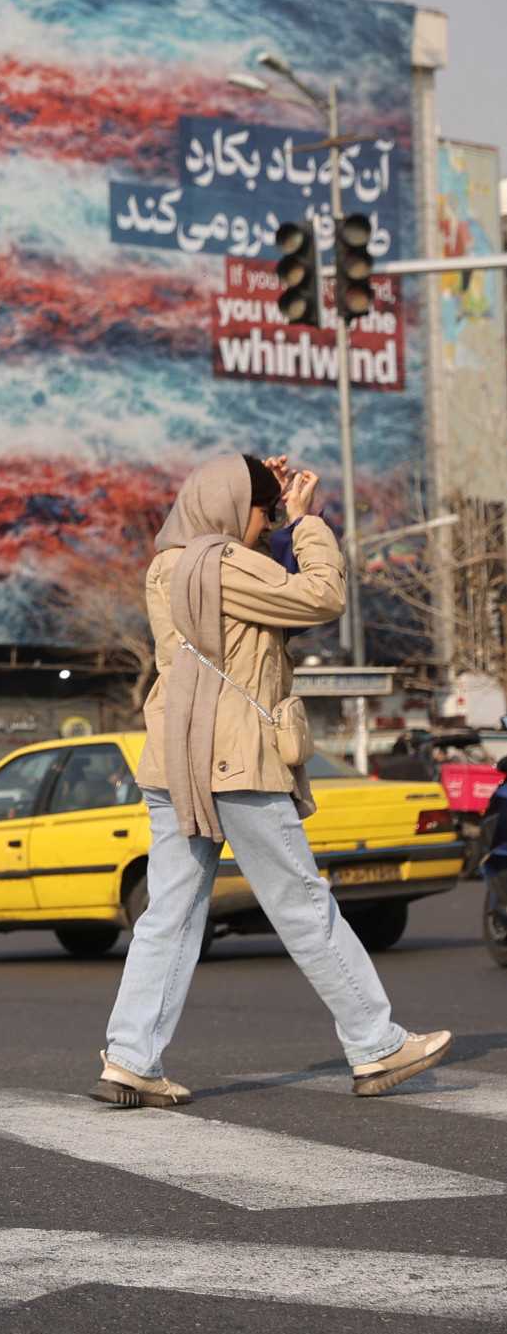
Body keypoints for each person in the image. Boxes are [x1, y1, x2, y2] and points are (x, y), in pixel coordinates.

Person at [94, 453, 451, 1107]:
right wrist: (306, 520)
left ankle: (130, 1057)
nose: (264, 526)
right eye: (259, 511)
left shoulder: (167, 564)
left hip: (175, 759)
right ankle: (374, 1042)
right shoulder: (222, 563)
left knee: (168, 914)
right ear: (232, 509)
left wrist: (263, 485)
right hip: (234, 760)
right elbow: (321, 593)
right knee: (300, 900)